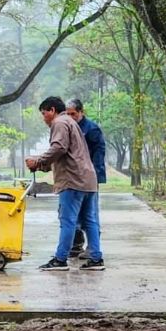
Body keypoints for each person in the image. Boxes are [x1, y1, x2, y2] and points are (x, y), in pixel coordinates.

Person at [25, 96, 105, 271]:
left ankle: (60, 260)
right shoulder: (71, 122)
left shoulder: (60, 122)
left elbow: (59, 148)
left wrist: (38, 161)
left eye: (44, 113)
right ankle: (96, 259)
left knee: (67, 220)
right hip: (88, 179)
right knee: (90, 220)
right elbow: (65, 153)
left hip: (73, 181)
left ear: (52, 110)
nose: (44, 118)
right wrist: (43, 165)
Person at [65, 98, 106, 258]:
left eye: (73, 114)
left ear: (81, 112)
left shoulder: (91, 129)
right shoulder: (68, 128)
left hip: (89, 177)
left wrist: (94, 174)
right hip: (73, 177)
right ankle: (76, 244)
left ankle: (93, 247)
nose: (70, 117)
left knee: (90, 213)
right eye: (68, 114)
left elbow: (99, 153)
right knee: (72, 212)